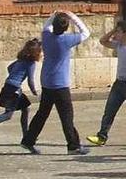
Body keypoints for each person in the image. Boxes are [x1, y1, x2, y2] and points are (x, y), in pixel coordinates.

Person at [21, 10, 91, 155]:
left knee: (42, 113)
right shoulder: (66, 40)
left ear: (54, 25)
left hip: (47, 81)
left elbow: (46, 27)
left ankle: (28, 140)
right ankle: (73, 146)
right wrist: (73, 17)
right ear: (66, 28)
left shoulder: (46, 37)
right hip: (60, 84)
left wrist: (54, 14)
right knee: (66, 115)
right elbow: (85, 33)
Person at [86, 20, 126, 147]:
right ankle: (101, 137)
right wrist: (113, 30)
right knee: (109, 111)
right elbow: (103, 41)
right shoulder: (119, 45)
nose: (116, 34)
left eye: (119, 32)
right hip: (118, 83)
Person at [0, 39, 41, 139]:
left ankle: (26, 134)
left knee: (25, 108)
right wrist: (34, 91)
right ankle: (26, 135)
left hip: (9, 85)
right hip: (14, 89)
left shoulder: (20, 60)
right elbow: (30, 80)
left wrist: (14, 76)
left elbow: (9, 68)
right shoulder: (31, 64)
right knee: (8, 115)